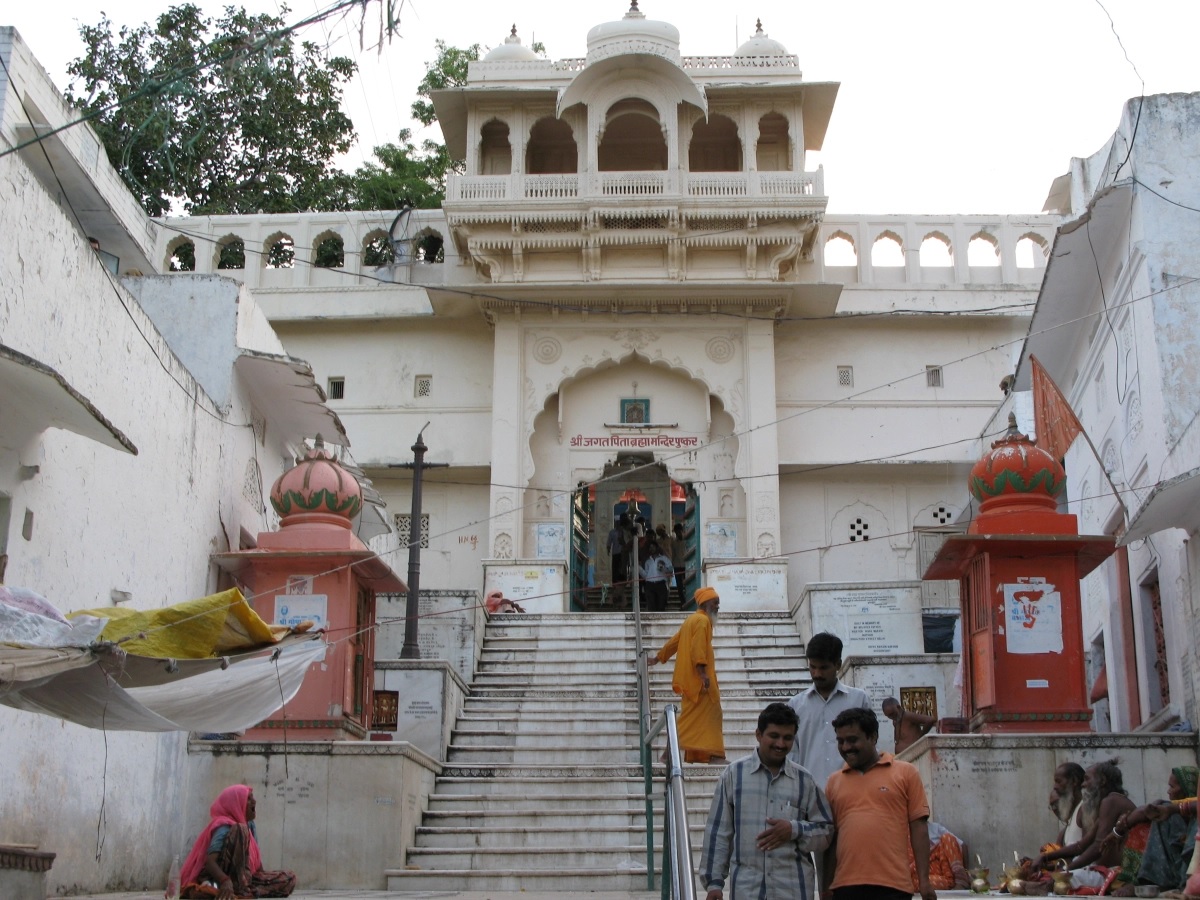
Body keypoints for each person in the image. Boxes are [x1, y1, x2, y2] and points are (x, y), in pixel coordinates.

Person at [700, 702, 834, 900]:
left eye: (787, 738)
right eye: (774, 736)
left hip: (793, 890)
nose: (781, 744)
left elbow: (826, 831)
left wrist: (794, 830)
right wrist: (714, 883)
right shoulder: (734, 775)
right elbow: (719, 832)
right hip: (747, 891)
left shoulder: (805, 781)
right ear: (758, 735)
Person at [823, 706, 936, 900]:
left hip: (893, 887)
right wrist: (826, 886)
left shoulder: (905, 773)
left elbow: (919, 828)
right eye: (840, 741)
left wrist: (924, 881)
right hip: (845, 887)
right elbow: (831, 840)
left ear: (873, 737)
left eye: (852, 740)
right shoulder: (834, 782)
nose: (845, 747)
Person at [647, 586, 726, 763]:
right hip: (699, 682)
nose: (718, 607)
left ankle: (711, 755)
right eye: (715, 603)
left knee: (701, 718)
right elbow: (697, 648)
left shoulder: (692, 620)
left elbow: (675, 642)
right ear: (705, 603)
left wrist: (659, 658)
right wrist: (702, 674)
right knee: (702, 718)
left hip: (693, 682)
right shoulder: (702, 621)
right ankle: (670, 755)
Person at [180, 784, 296, 899]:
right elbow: (210, 862)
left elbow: (256, 862)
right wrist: (225, 881)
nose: (254, 801)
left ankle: (241, 890)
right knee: (241, 829)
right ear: (235, 804)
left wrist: (264, 878)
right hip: (221, 876)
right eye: (248, 799)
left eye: (252, 798)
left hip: (244, 878)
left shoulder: (250, 825)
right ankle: (223, 888)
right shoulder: (224, 826)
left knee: (289, 878)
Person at [1033, 759, 1137, 885]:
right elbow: (1081, 846)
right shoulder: (1107, 805)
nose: (1083, 784)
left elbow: (1098, 846)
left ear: (1102, 780)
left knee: (1070, 878)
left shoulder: (1111, 801)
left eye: (1087, 779)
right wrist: (1046, 857)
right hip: (1104, 871)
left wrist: (1066, 871)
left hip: (1119, 874)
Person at [787, 632, 870, 787]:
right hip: (809, 794)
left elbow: (869, 747)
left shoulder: (859, 699)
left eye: (824, 668)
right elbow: (792, 754)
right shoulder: (795, 705)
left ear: (838, 665)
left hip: (852, 790)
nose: (817, 674)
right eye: (813, 667)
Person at [1101, 765, 1199, 892]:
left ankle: (1151, 882)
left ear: (1188, 788)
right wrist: (1117, 832)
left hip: (1191, 869)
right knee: (1148, 823)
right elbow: (1147, 811)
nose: (1169, 791)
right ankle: (1149, 882)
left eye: (1172, 787)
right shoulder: (1171, 809)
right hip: (1177, 867)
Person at [606, 514, 632, 605]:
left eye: (618, 522)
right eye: (616, 523)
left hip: (624, 553)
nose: (617, 524)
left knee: (624, 569)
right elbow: (609, 542)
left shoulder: (625, 531)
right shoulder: (612, 532)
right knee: (615, 569)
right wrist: (608, 549)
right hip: (615, 553)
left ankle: (623, 584)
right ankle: (615, 585)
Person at [641, 541, 673, 612]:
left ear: (657, 548)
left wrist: (663, 568)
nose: (651, 549)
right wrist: (639, 569)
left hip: (661, 584)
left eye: (653, 547)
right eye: (650, 548)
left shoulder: (664, 559)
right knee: (651, 607)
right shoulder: (648, 561)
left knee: (661, 606)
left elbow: (671, 570)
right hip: (650, 585)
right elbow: (646, 575)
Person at [671, 522, 687, 605]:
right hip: (677, 565)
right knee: (679, 586)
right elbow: (673, 554)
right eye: (676, 532)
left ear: (682, 531)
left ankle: (688, 601)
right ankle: (682, 602)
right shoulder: (674, 542)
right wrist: (672, 564)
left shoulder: (687, 540)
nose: (677, 534)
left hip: (686, 565)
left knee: (687, 584)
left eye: (679, 532)